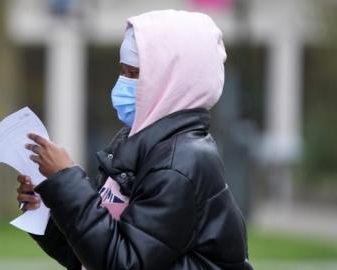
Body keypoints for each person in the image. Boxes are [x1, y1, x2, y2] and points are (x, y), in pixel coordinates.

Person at [17, 9, 253, 270]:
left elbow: (123, 263)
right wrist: (45, 209)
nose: (123, 83)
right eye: (123, 72)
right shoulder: (138, 144)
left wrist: (66, 179)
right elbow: (91, 253)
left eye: (134, 74)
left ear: (171, 81)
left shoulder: (180, 163)